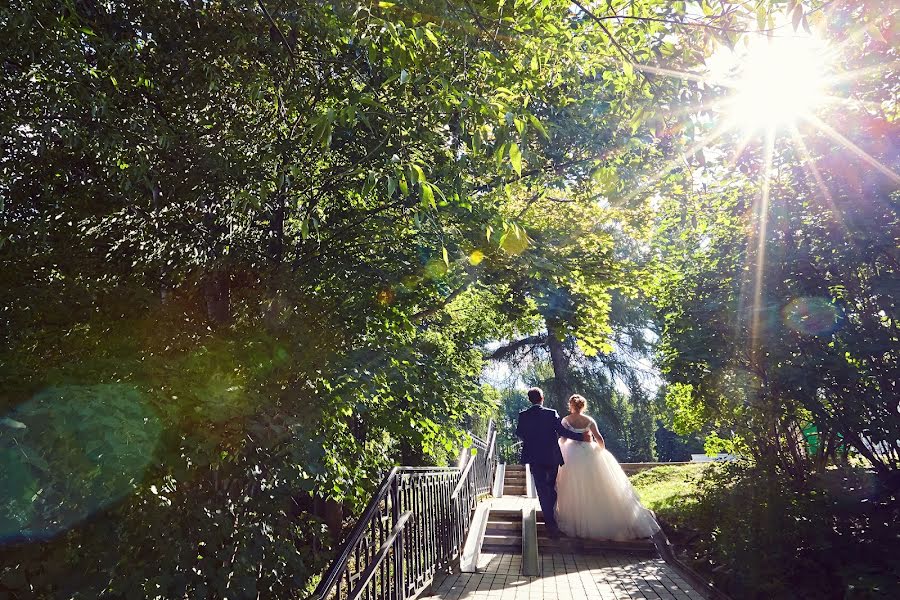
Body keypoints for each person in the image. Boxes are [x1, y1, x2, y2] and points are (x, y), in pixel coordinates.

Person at [555, 394, 661, 541]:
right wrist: (600, 452)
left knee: (575, 486)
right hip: (589, 452)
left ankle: (577, 521)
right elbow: (599, 438)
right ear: (583, 406)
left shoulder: (566, 420)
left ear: (571, 405)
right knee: (595, 486)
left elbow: (564, 438)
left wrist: (560, 446)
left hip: (572, 455)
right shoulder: (589, 420)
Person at [515, 387, 589, 538]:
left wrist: (531, 440)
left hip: (535, 458)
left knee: (542, 490)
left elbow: (520, 434)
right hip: (551, 457)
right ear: (542, 398)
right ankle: (551, 523)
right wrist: (581, 438)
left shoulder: (523, 415)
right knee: (551, 488)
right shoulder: (551, 413)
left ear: (530, 399)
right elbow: (562, 432)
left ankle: (551, 521)